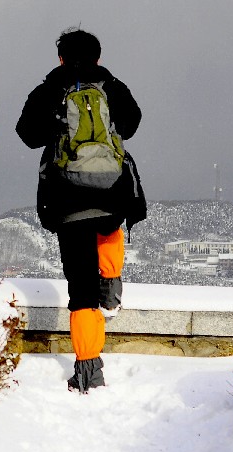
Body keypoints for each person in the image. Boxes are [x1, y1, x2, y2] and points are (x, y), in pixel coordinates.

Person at [15, 28, 145, 392]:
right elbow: (132, 125)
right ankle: (112, 284)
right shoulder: (110, 84)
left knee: (81, 291)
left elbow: (27, 134)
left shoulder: (50, 87)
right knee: (109, 227)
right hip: (111, 192)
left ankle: (89, 368)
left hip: (69, 197)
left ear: (60, 58)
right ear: (98, 57)